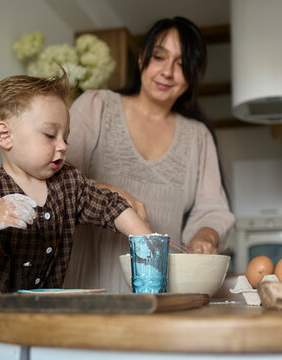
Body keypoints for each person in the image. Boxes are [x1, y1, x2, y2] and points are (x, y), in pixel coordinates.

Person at [0, 74, 151, 360]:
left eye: (66, 137)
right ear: (5, 135)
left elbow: (107, 204)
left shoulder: (68, 183)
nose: (62, 145)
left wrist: (144, 237)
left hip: (26, 332)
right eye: (50, 135)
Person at [63, 16, 235, 293]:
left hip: (161, 297)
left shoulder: (198, 136)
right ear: (142, 58)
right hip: (86, 290)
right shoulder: (96, 107)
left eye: (181, 64)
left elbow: (213, 209)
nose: (168, 71)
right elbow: (56, 181)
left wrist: (206, 235)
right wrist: (112, 195)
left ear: (192, 77)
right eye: (159, 56)